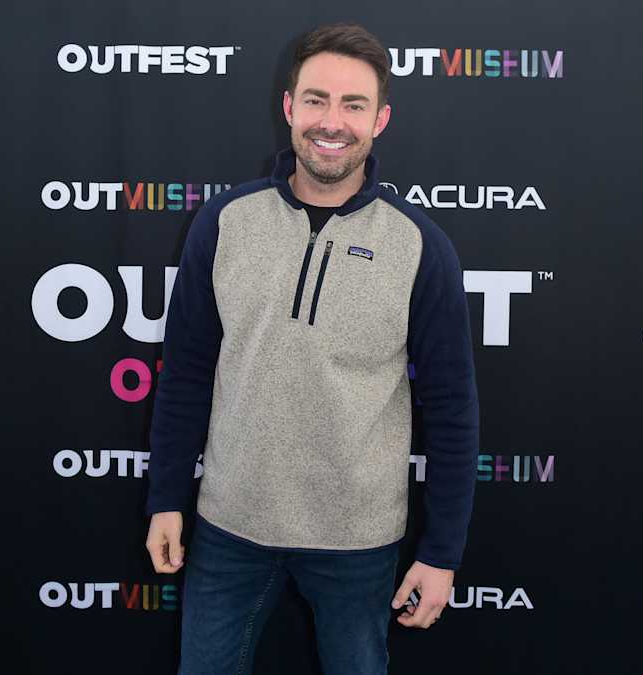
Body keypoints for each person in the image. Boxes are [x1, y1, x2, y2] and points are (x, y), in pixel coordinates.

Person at [144, 21, 479, 675]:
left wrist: (441, 553)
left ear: (380, 119)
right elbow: (185, 374)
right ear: (289, 107)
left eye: (354, 105)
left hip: (357, 541)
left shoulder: (419, 246)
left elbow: (452, 410)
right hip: (230, 527)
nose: (332, 122)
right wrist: (165, 498)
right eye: (317, 100)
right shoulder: (224, 223)